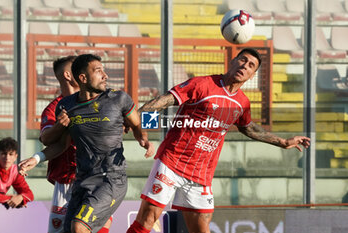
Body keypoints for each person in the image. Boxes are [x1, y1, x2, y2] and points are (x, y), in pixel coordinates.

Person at [126, 48, 311, 233]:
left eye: (251, 65)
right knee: (146, 221)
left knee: (201, 229)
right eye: (242, 60)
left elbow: (248, 128)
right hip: (172, 163)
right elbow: (163, 101)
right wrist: (134, 119)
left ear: (252, 75)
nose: (245, 66)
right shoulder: (202, 84)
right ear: (232, 62)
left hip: (201, 174)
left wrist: (283, 142)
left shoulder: (242, 103)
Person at [19, 54, 155, 233]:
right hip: (80, 181)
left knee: (80, 226)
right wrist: (36, 158)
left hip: (110, 179)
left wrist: (142, 138)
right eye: (99, 71)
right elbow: (61, 144)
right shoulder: (65, 107)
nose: (105, 75)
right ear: (82, 78)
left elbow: (136, 122)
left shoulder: (117, 99)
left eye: (103, 70)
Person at [39, 56, 112, 233]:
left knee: (98, 227)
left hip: (96, 176)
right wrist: (61, 125)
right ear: (68, 75)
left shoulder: (100, 101)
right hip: (67, 178)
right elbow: (46, 138)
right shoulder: (54, 108)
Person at [0, 137, 34, 209]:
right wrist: (12, 198)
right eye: (4, 154)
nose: (7, 158)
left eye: (11, 154)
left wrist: (20, 197)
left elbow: (30, 195)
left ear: (15, 157)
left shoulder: (15, 172)